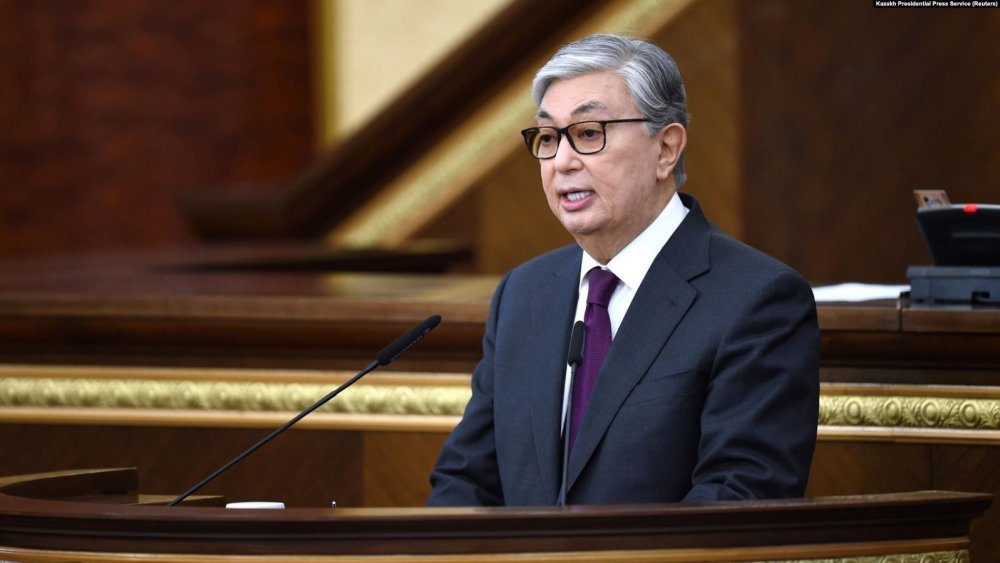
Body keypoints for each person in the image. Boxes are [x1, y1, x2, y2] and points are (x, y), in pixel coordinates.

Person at [427, 34, 819, 506]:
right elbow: (465, 482)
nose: (561, 162)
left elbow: (737, 501)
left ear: (666, 148)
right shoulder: (524, 293)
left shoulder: (757, 300)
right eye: (548, 138)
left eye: (589, 133)